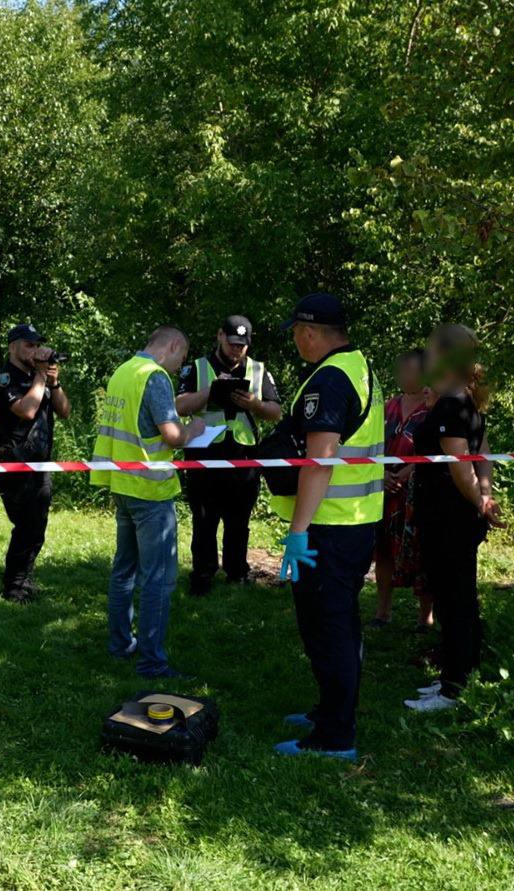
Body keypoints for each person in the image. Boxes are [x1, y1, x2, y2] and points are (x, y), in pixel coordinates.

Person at [270, 293, 385, 761]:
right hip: (354, 522)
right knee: (339, 623)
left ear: (310, 332)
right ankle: (330, 711)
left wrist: (298, 531)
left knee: (328, 628)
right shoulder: (358, 367)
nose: (296, 341)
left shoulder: (331, 379)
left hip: (329, 528)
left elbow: (320, 460)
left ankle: (334, 737)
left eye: (297, 333)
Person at [90, 326, 207, 679]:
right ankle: (152, 662)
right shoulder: (154, 376)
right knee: (158, 579)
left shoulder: (124, 371)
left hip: (122, 485)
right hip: (151, 491)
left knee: (124, 570)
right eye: (181, 357)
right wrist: (194, 431)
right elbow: (172, 435)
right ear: (173, 345)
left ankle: (120, 645)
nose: (179, 366)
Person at [404, 324, 503, 712]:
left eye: (430, 351)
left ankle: (454, 689)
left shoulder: (451, 405)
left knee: (454, 600)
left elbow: (463, 467)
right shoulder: (463, 400)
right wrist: (485, 496)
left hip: (448, 519)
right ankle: (455, 674)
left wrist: (481, 501)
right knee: (455, 597)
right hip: (453, 516)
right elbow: (484, 454)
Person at [175, 315, 281, 596]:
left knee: (239, 521)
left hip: (244, 457)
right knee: (204, 520)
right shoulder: (197, 367)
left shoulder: (258, 370)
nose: (236, 350)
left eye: (242, 345)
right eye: (232, 343)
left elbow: (275, 412)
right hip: (204, 455)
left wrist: (255, 404)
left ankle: (237, 572)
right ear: (220, 335)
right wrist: (211, 392)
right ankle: (203, 574)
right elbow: (179, 406)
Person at [0, 323, 71, 603]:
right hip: (13, 459)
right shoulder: (4, 378)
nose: (35, 350)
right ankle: (14, 589)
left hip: (40, 462)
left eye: (37, 345)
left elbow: (65, 411)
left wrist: (54, 382)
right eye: (29, 345)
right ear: (13, 347)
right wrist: (40, 376)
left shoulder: (40, 378)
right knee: (25, 526)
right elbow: (27, 410)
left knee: (37, 528)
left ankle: (23, 581)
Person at [369, 349, 431, 630]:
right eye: (401, 369)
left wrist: (407, 474)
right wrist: (381, 474)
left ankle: (425, 616)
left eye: (410, 369)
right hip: (385, 491)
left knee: (422, 552)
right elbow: (371, 446)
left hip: (419, 492)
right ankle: (382, 612)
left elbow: (438, 451)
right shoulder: (388, 406)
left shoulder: (433, 407)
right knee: (383, 550)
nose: (403, 375)